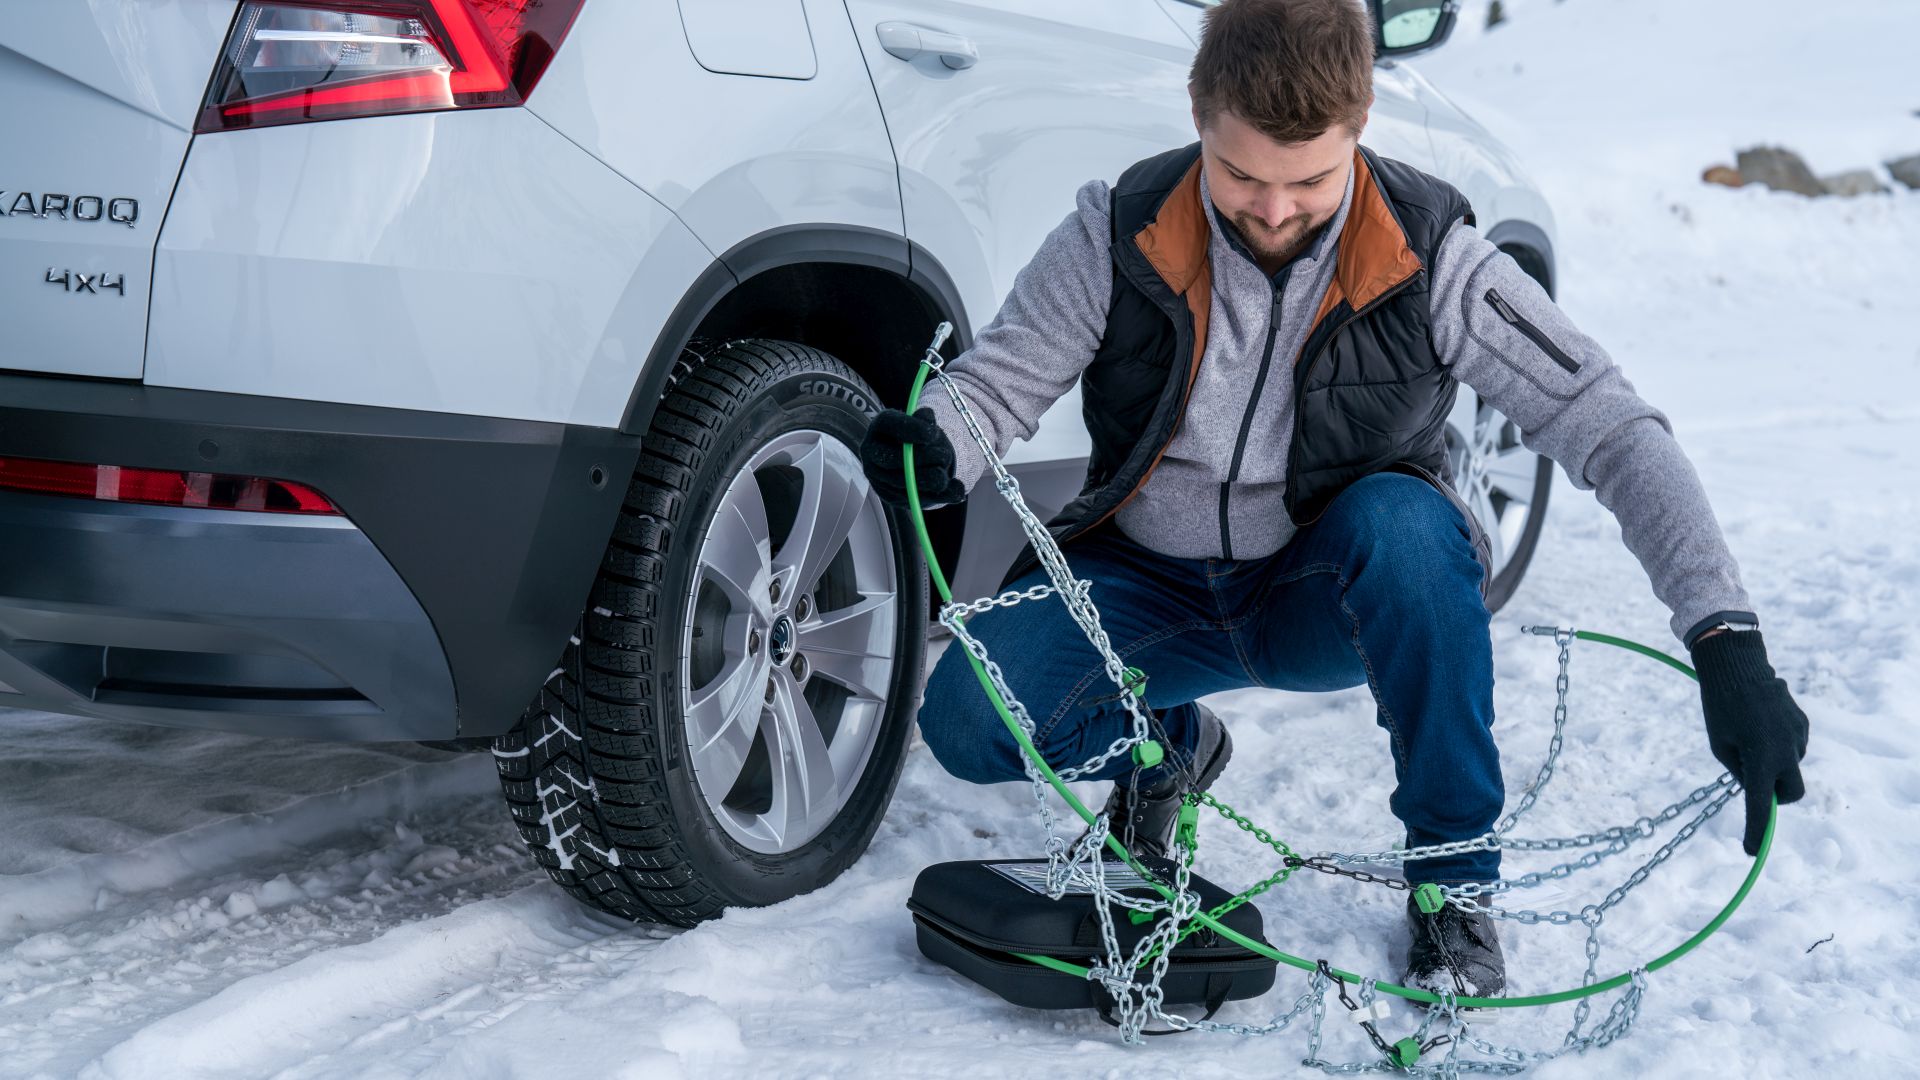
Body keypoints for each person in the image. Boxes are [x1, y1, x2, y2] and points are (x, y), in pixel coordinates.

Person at [858, 0, 1808, 999]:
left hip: (1324, 592)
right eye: (1241, 176)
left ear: (1359, 128)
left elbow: (1607, 422)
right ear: (1197, 113)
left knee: (1405, 527)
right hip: (1143, 585)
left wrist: (1724, 635)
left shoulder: (1431, 255)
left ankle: (1453, 890)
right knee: (967, 723)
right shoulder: (1117, 228)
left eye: (1310, 180)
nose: (1272, 212)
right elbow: (999, 381)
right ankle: (1167, 746)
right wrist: (940, 443)